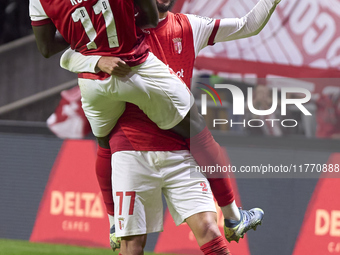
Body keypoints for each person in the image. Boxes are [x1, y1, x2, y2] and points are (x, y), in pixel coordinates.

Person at [59, 0, 280, 252]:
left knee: (209, 229)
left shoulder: (190, 26)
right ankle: (115, 223)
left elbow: (246, 25)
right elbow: (68, 54)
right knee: (133, 246)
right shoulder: (121, 26)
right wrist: (96, 62)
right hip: (132, 151)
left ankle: (232, 217)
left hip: (180, 152)